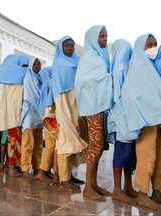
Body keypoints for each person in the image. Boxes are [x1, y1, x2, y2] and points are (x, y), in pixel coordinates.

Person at [120, 34, 161, 210]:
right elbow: (130, 95)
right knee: (147, 156)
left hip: (157, 119)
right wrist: (143, 115)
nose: (152, 47)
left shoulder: (152, 67)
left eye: (154, 44)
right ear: (140, 47)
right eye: (149, 44)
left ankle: (157, 191)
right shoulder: (136, 68)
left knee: (159, 156)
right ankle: (143, 194)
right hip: (145, 121)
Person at [75, 25, 113, 201]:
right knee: (95, 146)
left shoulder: (101, 56)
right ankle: (87, 188)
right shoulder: (89, 59)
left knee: (98, 147)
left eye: (105, 36)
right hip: (92, 107)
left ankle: (94, 184)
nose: (104, 39)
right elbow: (83, 82)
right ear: (92, 39)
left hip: (100, 107)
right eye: (101, 37)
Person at [51, 36, 88, 192]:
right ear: (61, 48)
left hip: (75, 107)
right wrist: (63, 111)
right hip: (64, 105)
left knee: (74, 141)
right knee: (65, 142)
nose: (70, 48)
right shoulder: (58, 64)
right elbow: (59, 91)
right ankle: (64, 179)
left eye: (72, 45)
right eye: (67, 45)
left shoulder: (76, 62)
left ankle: (70, 175)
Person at [106, 39, 138, 204]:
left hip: (126, 116)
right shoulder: (120, 69)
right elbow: (121, 95)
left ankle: (128, 186)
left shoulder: (119, 67)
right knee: (122, 152)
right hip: (121, 116)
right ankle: (117, 189)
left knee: (129, 153)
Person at [0, 54, 30, 177]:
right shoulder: (20, 77)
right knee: (13, 142)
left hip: (9, 116)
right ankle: (12, 167)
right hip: (15, 115)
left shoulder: (3, 80)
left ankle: (13, 166)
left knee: (15, 141)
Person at [20, 58, 43, 176]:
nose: (37, 66)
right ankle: (25, 168)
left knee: (39, 143)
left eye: (39, 64)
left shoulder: (40, 77)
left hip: (39, 114)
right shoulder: (28, 76)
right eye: (35, 64)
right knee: (27, 143)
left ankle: (37, 166)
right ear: (30, 65)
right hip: (29, 113)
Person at [35, 66, 56, 182]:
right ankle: (41, 171)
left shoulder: (45, 85)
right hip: (50, 117)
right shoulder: (49, 84)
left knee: (51, 145)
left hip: (47, 117)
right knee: (51, 146)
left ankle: (47, 170)